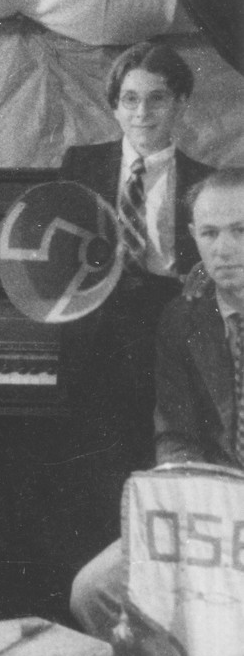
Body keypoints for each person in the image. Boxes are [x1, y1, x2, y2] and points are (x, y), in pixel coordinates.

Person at [70, 169, 244, 656]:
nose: (226, 249)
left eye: (242, 231)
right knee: (94, 590)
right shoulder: (182, 318)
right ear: (192, 235)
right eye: (211, 233)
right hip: (208, 514)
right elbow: (175, 437)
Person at [58, 41, 212, 551]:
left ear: (181, 103)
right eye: (129, 99)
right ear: (115, 104)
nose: (141, 113)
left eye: (157, 99)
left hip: (170, 340)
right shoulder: (80, 166)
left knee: (162, 477)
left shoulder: (205, 181)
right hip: (96, 340)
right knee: (96, 482)